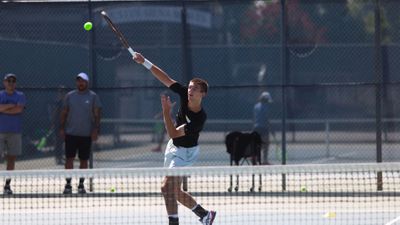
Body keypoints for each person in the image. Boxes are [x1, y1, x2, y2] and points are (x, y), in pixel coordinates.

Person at [133, 53, 216, 225]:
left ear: (203, 94)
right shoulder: (184, 94)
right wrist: (144, 62)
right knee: (175, 191)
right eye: (189, 87)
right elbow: (165, 78)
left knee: (166, 187)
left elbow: (173, 133)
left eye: (194, 89)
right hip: (173, 148)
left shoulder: (199, 119)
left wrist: (165, 112)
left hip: (186, 153)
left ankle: (173, 223)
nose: (190, 90)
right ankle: (205, 215)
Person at [59, 72, 102, 194]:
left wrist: (95, 130)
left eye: (82, 81)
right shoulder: (69, 96)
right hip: (71, 134)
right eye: (78, 80)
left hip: (86, 135)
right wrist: (62, 128)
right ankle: (68, 185)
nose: (80, 83)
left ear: (87, 82)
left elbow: (97, 114)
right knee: (69, 159)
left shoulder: (93, 96)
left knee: (84, 160)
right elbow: (64, 112)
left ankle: (81, 185)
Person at [0, 73, 26, 194]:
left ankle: (7, 186)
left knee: (11, 159)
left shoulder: (20, 95)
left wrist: (4, 108)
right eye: (8, 81)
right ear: (4, 82)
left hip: (15, 131)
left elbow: (19, 109)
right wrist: (11, 106)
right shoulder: (0, 94)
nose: (11, 83)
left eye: (13, 81)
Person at [253, 91, 274, 165]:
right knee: (266, 144)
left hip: (256, 128)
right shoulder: (266, 107)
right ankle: (264, 160)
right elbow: (267, 119)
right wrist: (272, 130)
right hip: (264, 128)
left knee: (257, 144)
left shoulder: (256, 106)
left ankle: (254, 158)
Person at [48, 85, 67, 165]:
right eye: (60, 92)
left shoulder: (67, 102)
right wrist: (53, 123)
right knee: (58, 142)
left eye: (63, 92)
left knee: (66, 142)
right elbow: (53, 114)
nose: (62, 93)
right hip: (58, 125)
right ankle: (58, 158)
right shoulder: (57, 103)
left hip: (66, 125)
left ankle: (63, 156)